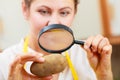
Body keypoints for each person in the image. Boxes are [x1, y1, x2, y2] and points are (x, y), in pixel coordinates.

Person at [0, 0, 113, 80]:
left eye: (64, 12)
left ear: (74, 14)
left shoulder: (87, 56)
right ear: (25, 10)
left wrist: (103, 74)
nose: (54, 22)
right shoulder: (4, 63)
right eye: (43, 11)